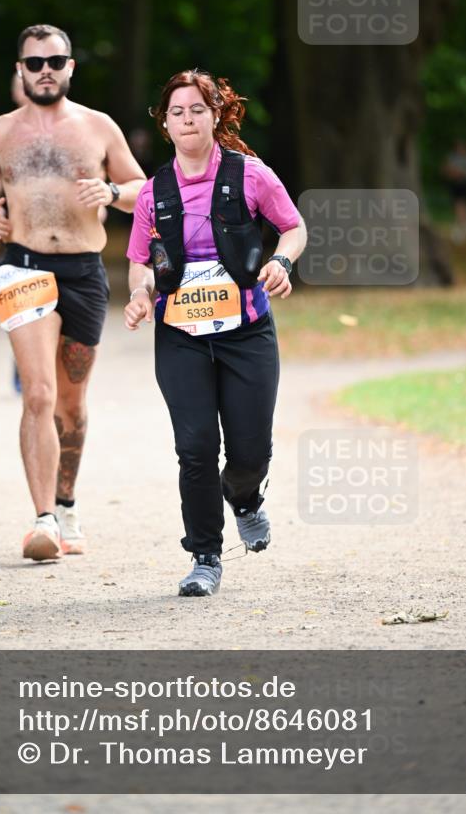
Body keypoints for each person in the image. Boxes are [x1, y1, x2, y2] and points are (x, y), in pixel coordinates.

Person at [0, 24, 146, 561]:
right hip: (23, 268)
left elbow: (143, 190)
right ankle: (42, 521)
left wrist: (111, 191)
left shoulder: (98, 127)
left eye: (55, 61)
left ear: (70, 67)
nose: (45, 70)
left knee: (72, 403)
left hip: (84, 273)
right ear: (20, 70)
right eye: (34, 62)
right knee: (38, 393)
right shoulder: (0, 130)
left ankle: (66, 504)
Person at [124, 70, 306, 597]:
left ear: (217, 115)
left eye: (197, 110)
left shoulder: (251, 175)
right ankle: (205, 556)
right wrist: (140, 295)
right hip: (180, 334)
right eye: (177, 111)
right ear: (165, 123)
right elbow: (139, 261)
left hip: (247, 331)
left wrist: (281, 263)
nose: (187, 119)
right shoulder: (152, 192)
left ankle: (245, 497)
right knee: (196, 446)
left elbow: (293, 228)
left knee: (250, 450)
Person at [441, 140, 466, 243]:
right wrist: (453, 173)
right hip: (455, 185)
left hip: (465, 185)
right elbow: (446, 170)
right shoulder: (452, 158)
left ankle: (463, 228)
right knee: (459, 205)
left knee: (461, 204)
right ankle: (464, 227)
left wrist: (462, 174)